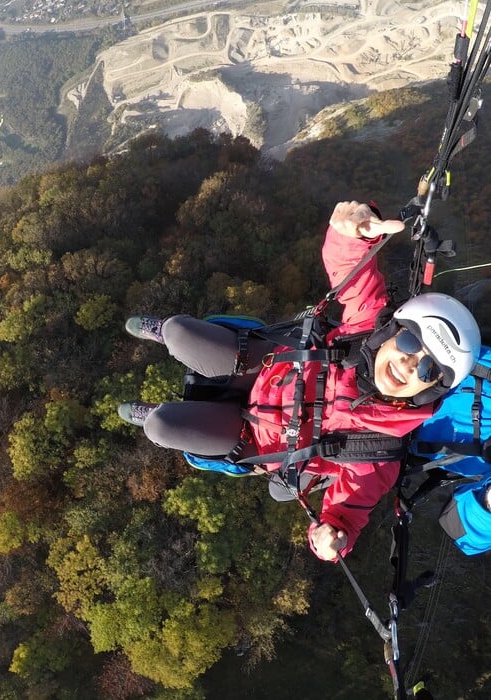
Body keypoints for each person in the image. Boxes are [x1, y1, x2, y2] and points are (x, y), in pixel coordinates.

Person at [118, 201, 481, 562]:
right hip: (265, 367)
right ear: (392, 330)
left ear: (430, 390)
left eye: (427, 371)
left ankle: (149, 412)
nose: (408, 364)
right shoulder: (365, 327)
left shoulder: (379, 454)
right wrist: (349, 236)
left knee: (163, 426)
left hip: (260, 437)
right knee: (181, 332)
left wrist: (329, 540)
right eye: (409, 342)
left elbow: (346, 514)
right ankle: (163, 332)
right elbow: (353, 277)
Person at [409, 344, 491, 556]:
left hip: (381, 447)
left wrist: (488, 506)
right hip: (397, 370)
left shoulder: (479, 469)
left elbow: (460, 525)